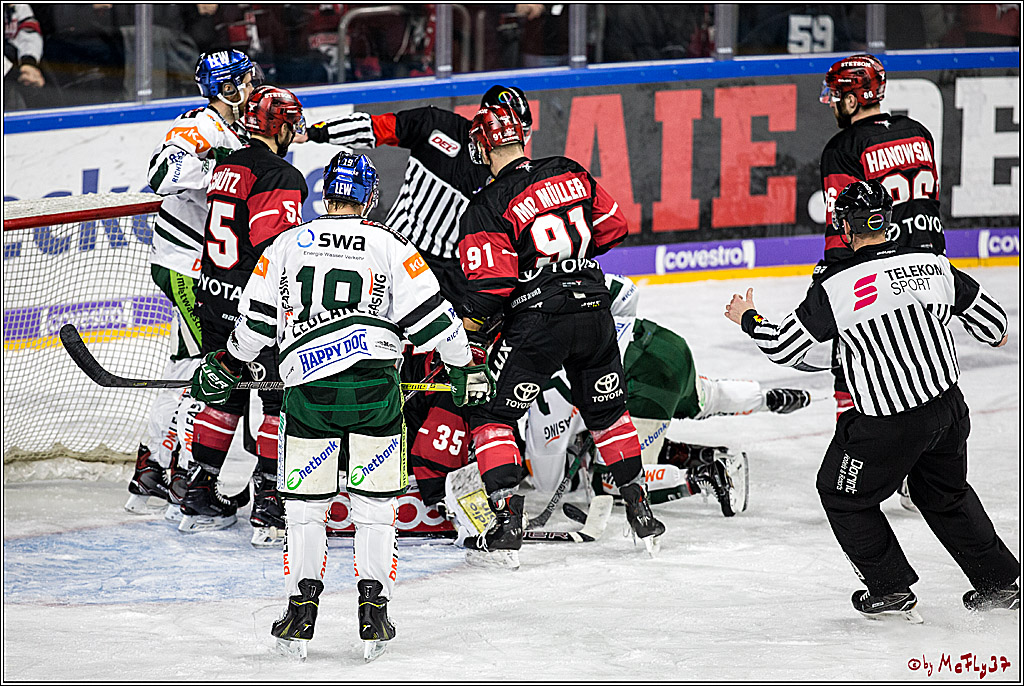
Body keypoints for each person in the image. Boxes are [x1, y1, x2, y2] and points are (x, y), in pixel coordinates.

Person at [190, 152, 493, 661]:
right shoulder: (389, 244)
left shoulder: (286, 244)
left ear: (323, 194)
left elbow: (256, 324)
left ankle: (301, 609)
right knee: (375, 510)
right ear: (368, 198)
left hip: (308, 396)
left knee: (305, 510)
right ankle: (374, 609)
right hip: (374, 394)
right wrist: (464, 366)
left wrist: (228, 363)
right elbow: (435, 321)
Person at [725, 180, 1019, 619]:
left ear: (846, 229)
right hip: (948, 409)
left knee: (841, 494)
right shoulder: (931, 263)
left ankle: (889, 587)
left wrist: (749, 318)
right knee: (946, 494)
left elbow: (784, 347)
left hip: (887, 423)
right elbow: (995, 327)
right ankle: (999, 583)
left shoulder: (838, 284)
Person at [455, 103, 664, 567]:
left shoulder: (488, 203)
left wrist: (467, 333)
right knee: (609, 415)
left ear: (484, 145)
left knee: (490, 412)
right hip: (594, 309)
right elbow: (615, 226)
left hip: (539, 321)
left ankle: (507, 520)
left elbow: (493, 287)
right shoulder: (568, 170)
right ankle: (638, 506)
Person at [126, 50, 261, 519]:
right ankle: (170, 472)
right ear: (226, 86)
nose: (251, 85)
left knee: (188, 365)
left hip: (200, 267)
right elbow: (160, 173)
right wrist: (214, 170)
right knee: (198, 369)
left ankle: (153, 470)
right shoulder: (200, 124)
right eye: (244, 79)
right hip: (185, 265)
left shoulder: (238, 128)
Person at [178, 84, 308, 546]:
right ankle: (271, 504)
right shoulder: (281, 175)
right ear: (281, 125)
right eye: (291, 121)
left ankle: (199, 491)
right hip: (255, 306)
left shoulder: (225, 167)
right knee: (277, 398)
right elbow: (275, 248)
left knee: (224, 392)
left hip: (213, 293)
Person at [819, 53, 946, 509]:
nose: (832, 102)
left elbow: (844, 230)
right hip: (930, 272)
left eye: (837, 94)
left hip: (872, 276)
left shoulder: (843, 149)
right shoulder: (919, 134)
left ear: (854, 97)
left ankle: (862, 467)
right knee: (924, 372)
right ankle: (921, 476)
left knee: (854, 369)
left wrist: (828, 282)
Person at [303, 84, 532, 310]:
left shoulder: (514, 175)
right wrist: (313, 132)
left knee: (457, 337)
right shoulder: (436, 124)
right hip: (400, 248)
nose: (515, 144)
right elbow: (374, 127)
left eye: (522, 133)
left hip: (456, 269)